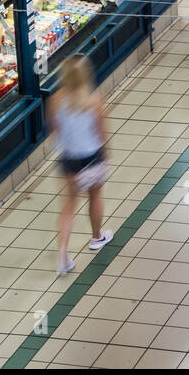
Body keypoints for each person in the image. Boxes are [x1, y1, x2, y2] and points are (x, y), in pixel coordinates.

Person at [51, 55, 112, 275]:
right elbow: (101, 131)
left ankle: (62, 257)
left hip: (69, 159)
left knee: (68, 207)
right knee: (95, 197)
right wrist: (106, 152)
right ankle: (97, 237)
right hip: (92, 157)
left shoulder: (56, 99)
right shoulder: (94, 100)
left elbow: (55, 127)